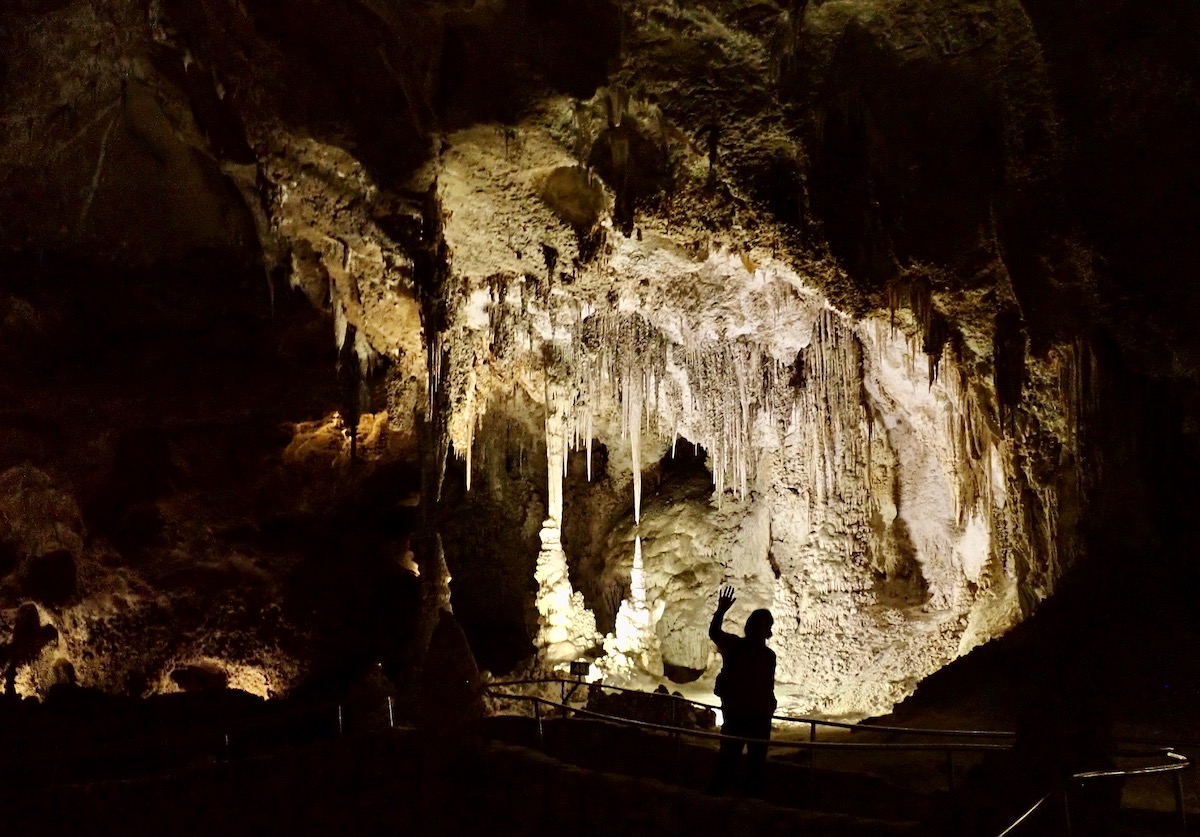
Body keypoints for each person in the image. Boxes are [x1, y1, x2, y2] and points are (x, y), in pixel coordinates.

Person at [708, 585, 776, 795]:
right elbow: (768, 687)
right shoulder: (757, 653)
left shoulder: (742, 648)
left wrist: (721, 611)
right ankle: (742, 800)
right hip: (749, 716)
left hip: (743, 714)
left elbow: (714, 633)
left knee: (732, 759)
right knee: (745, 762)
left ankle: (723, 798)